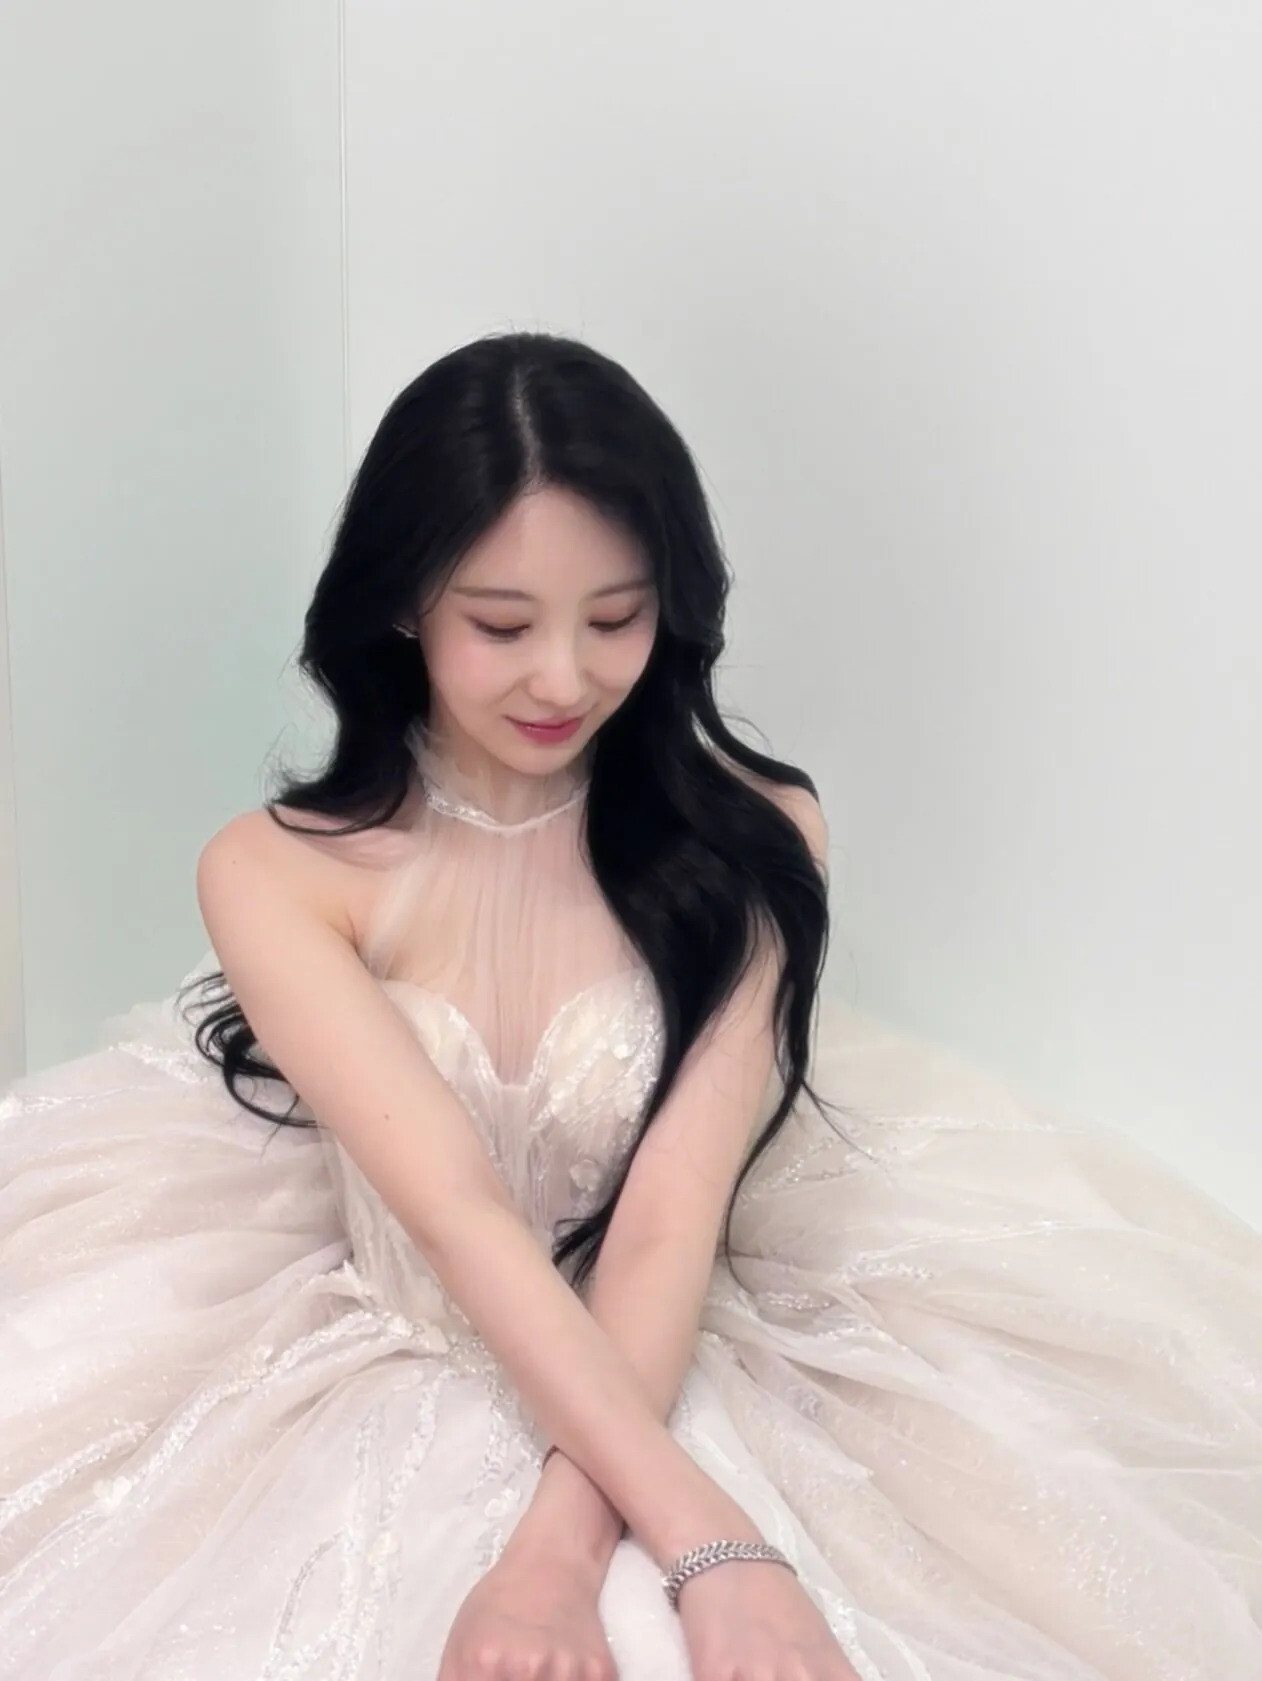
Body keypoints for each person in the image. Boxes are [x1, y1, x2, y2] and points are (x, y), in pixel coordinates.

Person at [1, 333, 1258, 1681]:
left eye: (615, 620)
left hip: (676, 1330)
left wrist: (577, 1552)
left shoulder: (756, 834)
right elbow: (460, 1215)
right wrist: (704, 1538)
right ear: (403, 603)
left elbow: (668, 1218)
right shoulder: (274, 872)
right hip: (409, 1324)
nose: (563, 680)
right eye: (501, 625)